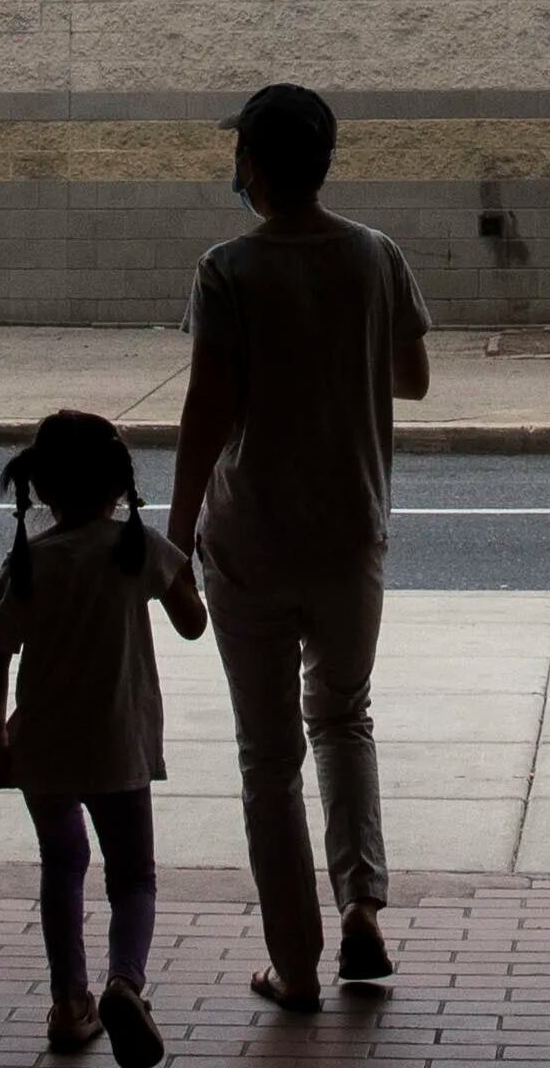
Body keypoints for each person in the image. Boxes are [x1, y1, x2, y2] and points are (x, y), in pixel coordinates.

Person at [167, 83, 430, 1012]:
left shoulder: (226, 269)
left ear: (255, 167)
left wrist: (175, 531)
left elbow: (207, 412)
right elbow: (415, 377)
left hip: (250, 539)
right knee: (344, 717)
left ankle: (297, 964)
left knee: (268, 756)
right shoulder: (374, 255)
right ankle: (362, 904)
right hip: (350, 529)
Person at [0, 410, 206, 1068]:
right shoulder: (138, 549)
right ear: (120, 485)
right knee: (132, 876)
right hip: (118, 744)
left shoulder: (31, 559)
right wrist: (187, 568)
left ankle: (68, 1002)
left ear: (42, 489)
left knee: (62, 863)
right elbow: (193, 624)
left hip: (42, 748)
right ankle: (125, 984)